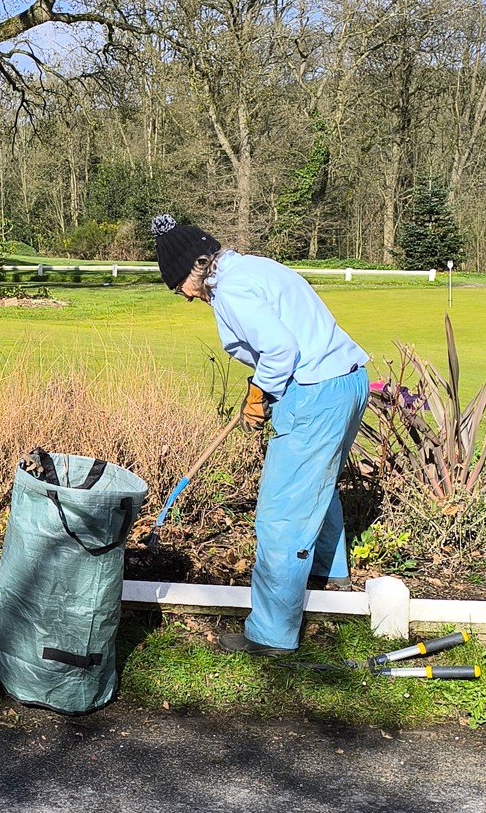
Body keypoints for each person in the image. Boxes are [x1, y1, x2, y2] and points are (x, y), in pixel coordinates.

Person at [150, 213, 369, 657]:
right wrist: (265, 391)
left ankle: (272, 633)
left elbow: (280, 349)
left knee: (281, 513)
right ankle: (328, 574)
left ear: (198, 267)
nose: (187, 297)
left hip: (314, 393)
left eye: (181, 288)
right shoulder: (256, 267)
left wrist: (259, 393)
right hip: (347, 382)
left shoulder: (231, 289)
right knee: (317, 484)